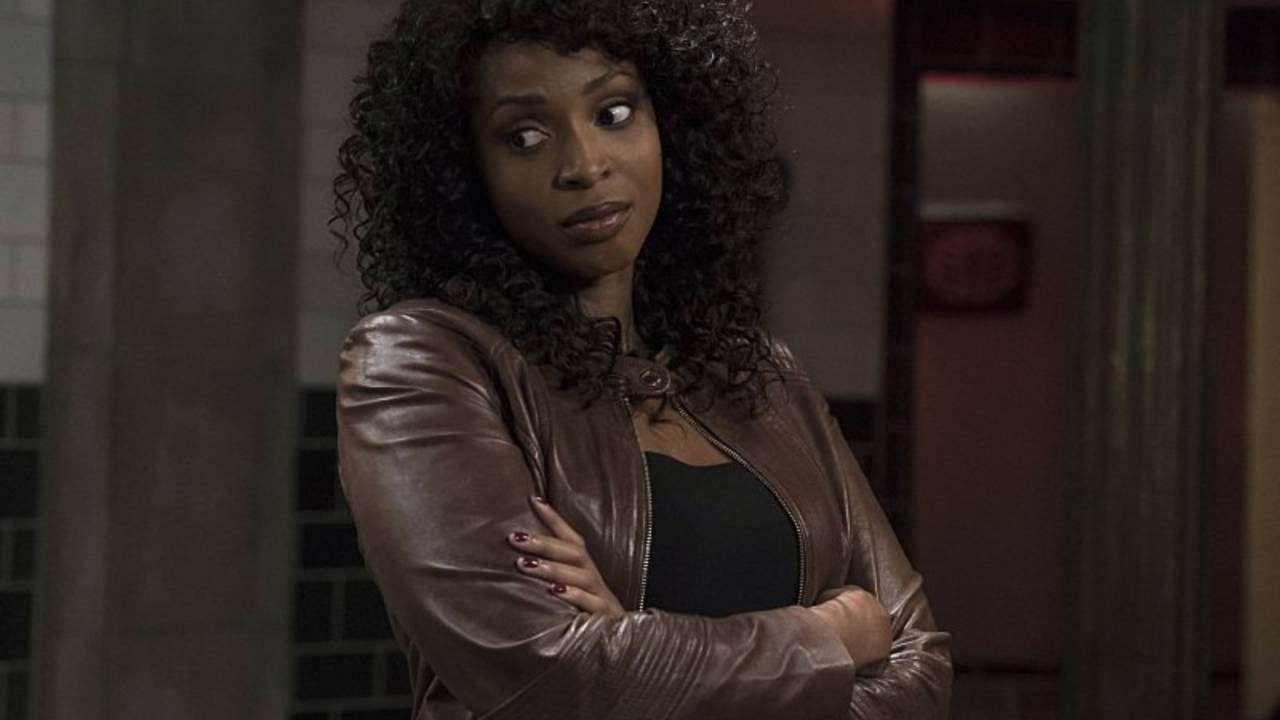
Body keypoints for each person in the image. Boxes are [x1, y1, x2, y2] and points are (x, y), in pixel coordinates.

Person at [332, 0, 952, 718]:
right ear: (463, 171)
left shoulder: (764, 375)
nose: (584, 165)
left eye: (615, 113)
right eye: (525, 136)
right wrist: (831, 635)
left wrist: (627, 641)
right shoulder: (421, 363)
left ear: (672, 124)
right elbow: (546, 677)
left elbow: (922, 672)